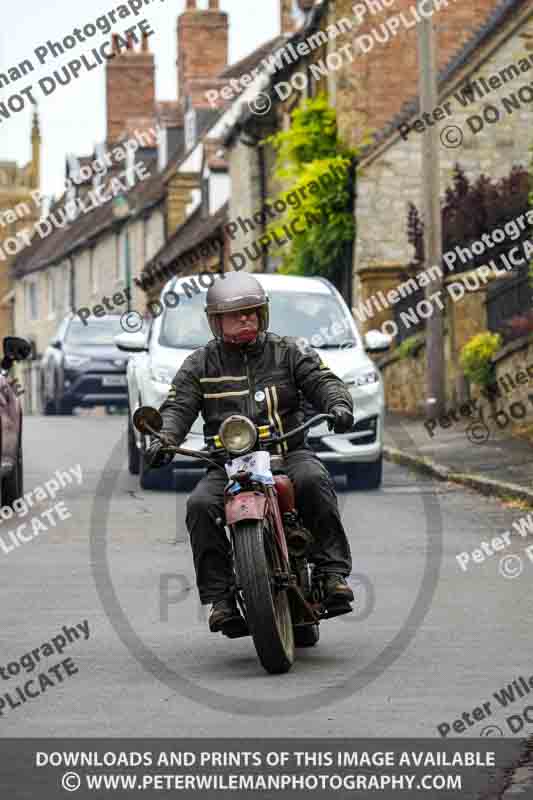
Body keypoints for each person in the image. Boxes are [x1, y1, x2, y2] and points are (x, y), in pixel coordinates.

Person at [146, 273, 355, 635]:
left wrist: (337, 404)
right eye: (236, 314)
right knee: (199, 505)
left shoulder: (289, 351)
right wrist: (162, 438)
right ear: (216, 321)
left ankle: (332, 573)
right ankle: (221, 598)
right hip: (226, 463)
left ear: (263, 315)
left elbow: (324, 381)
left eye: (252, 312)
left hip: (288, 450)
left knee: (314, 480)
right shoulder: (199, 364)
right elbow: (177, 407)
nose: (246, 319)